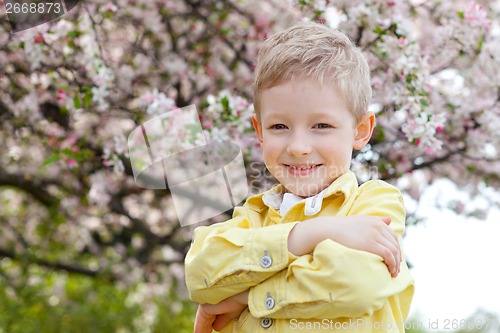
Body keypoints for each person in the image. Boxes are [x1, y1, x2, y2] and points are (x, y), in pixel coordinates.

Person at [184, 21, 414, 333]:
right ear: (260, 132)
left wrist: (244, 297)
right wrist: (309, 235)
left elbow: (355, 283)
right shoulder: (253, 215)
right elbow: (200, 270)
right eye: (279, 127)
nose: (299, 147)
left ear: (360, 131)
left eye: (321, 126)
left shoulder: (374, 202)